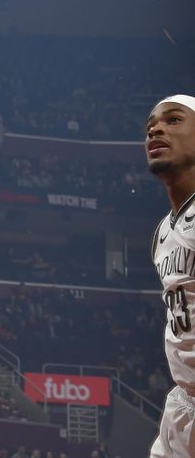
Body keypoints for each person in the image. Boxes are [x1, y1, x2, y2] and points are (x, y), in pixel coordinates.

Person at [146, 94, 195, 457]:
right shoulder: (163, 231)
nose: (155, 128)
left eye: (174, 120)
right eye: (151, 124)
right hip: (183, 404)